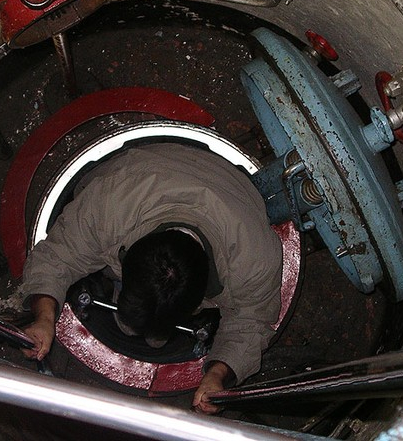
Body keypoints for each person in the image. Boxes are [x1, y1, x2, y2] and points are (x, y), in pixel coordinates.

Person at [20, 143, 283, 413]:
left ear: (198, 303)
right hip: (141, 173)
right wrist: (44, 318)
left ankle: (149, 328)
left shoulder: (254, 260)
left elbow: (252, 322)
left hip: (228, 191)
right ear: (127, 258)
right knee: (135, 326)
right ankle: (143, 324)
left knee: (145, 330)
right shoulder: (110, 206)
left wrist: (219, 374)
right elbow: (57, 257)